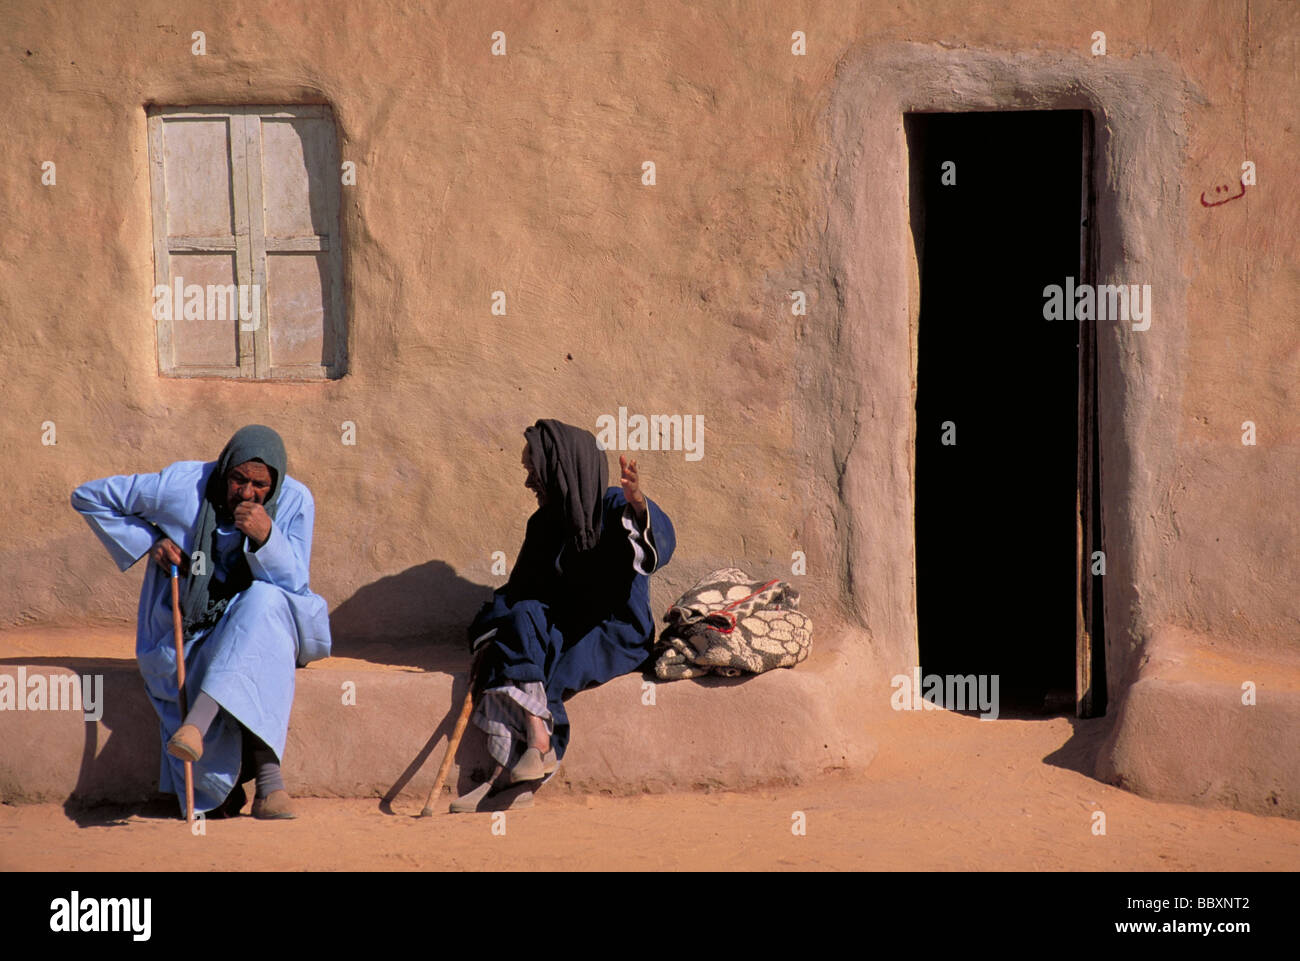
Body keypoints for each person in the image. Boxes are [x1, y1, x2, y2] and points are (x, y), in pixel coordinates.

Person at [71, 425, 330, 820]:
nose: (246, 493)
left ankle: (208, 734)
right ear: (224, 470)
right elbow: (88, 496)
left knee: (264, 601)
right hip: (191, 633)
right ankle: (268, 786)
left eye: (259, 485)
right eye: (238, 479)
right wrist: (149, 539)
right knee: (254, 635)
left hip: (267, 625)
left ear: (274, 482)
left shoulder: (296, 502)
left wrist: (266, 538)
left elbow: (295, 585)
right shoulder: (181, 486)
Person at [451, 419, 676, 812]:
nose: (528, 483)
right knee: (515, 624)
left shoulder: (612, 508)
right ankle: (535, 742)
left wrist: (639, 505)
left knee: (542, 669)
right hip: (566, 626)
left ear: (560, 470)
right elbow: (521, 592)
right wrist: (490, 626)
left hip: (613, 631)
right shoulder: (543, 524)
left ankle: (510, 776)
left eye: (533, 472)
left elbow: (656, 549)